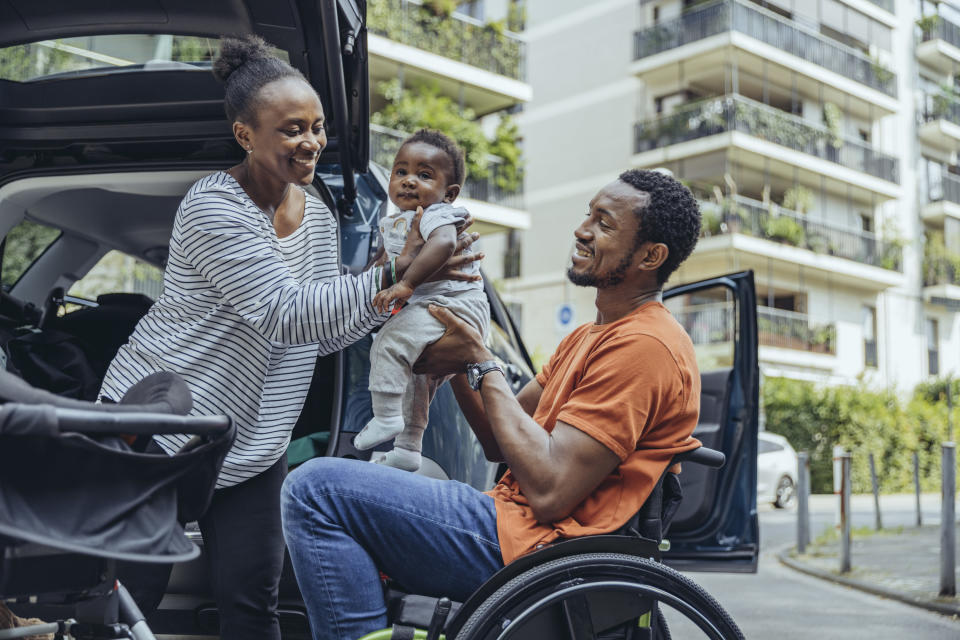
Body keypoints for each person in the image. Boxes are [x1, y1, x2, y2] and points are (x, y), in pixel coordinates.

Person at [98, 35, 480, 640]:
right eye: (292, 129)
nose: (311, 142)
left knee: (253, 602)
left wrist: (400, 290)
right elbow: (284, 313)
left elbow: (324, 329)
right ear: (245, 134)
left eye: (318, 126)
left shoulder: (320, 213)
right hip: (167, 427)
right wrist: (394, 272)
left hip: (254, 440)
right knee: (129, 602)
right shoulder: (213, 207)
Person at [281, 169, 704, 640]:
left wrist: (480, 360)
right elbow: (497, 441)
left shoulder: (646, 346)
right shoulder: (591, 335)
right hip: (515, 527)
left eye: (604, 224)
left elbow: (549, 490)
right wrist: (462, 354)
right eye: (588, 215)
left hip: (544, 551)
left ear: (652, 255)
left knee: (315, 491)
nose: (582, 230)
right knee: (392, 474)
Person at [352, 129, 489, 471]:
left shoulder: (437, 214)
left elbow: (442, 245)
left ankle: (385, 418)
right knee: (415, 380)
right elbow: (380, 267)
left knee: (389, 339)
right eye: (401, 172)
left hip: (453, 308)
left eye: (424, 175)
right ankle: (408, 448)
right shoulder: (394, 222)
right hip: (435, 309)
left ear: (449, 193)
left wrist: (407, 284)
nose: (409, 181)